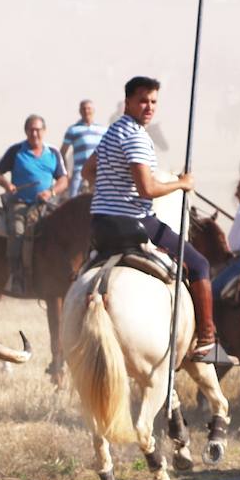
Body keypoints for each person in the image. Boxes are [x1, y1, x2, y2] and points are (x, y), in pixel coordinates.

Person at [83, 76, 216, 359]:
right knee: (200, 264)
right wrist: (182, 184)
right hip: (135, 223)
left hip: (100, 224)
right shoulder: (137, 137)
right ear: (128, 102)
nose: (149, 107)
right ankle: (206, 337)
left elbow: (87, 171)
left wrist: (111, 189)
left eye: (154, 101)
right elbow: (148, 189)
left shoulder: (112, 131)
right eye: (143, 100)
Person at [0, 114, 67, 295]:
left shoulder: (53, 153)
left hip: (46, 205)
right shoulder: (16, 151)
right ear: (26, 131)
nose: (34, 133)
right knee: (17, 233)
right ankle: (17, 277)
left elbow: (63, 179)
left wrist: (51, 192)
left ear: (44, 131)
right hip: (20, 204)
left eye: (38, 130)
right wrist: (7, 184)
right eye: (31, 130)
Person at [59, 100, 106, 198]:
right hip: (79, 171)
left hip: (98, 172)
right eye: (83, 109)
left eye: (89, 108)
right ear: (80, 111)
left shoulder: (102, 130)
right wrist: (66, 173)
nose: (86, 111)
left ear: (93, 110)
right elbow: (63, 152)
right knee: (73, 199)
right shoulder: (73, 130)